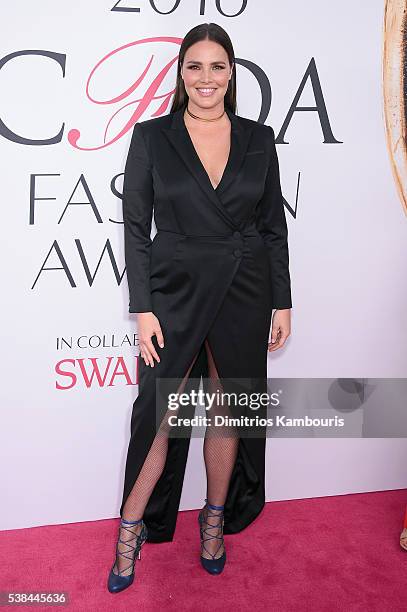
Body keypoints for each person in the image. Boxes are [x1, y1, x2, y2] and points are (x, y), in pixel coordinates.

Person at [107, 22, 292, 593]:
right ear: (180, 73)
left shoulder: (260, 139)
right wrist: (144, 308)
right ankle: (129, 533)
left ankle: (213, 525)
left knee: (226, 411)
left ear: (231, 73)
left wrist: (281, 301)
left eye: (217, 66)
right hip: (175, 290)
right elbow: (135, 229)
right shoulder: (152, 137)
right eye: (194, 66)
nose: (205, 78)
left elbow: (273, 228)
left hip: (245, 286)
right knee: (158, 417)